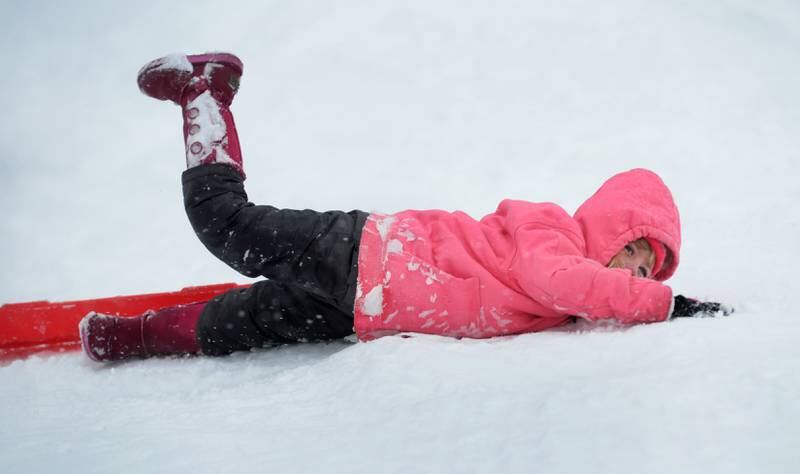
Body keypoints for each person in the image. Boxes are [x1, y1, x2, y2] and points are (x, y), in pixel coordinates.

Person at [79, 52, 731, 362]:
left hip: (367, 310)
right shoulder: (550, 230)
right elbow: (559, 277)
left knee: (242, 323)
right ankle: (204, 92)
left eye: (649, 272)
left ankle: (128, 337)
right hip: (364, 252)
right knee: (227, 225)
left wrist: (650, 299)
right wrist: (667, 305)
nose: (635, 275)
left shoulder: (567, 301)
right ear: (611, 224)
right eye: (635, 252)